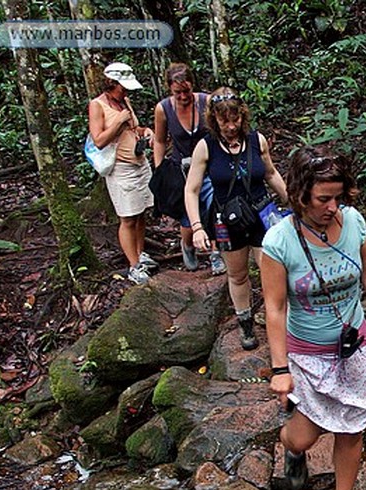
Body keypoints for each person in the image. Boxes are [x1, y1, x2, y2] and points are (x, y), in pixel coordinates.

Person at [261, 146, 366, 490]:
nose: (333, 207)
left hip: (355, 342)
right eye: (323, 198)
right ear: (299, 194)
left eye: (338, 197)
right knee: (305, 436)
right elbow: (274, 309)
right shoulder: (279, 242)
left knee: (354, 427)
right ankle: (291, 450)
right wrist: (280, 370)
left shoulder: (355, 222)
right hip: (309, 352)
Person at [184, 87, 287, 350]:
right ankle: (246, 323)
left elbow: (271, 174)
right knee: (238, 274)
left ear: (242, 116)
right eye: (224, 121)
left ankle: (279, 320)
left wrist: (294, 202)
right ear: (214, 120)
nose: (230, 126)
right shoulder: (205, 147)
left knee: (271, 270)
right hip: (228, 218)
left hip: (262, 214)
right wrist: (197, 227)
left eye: (235, 119)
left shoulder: (256, 140)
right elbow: (192, 189)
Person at [151, 62, 225, 276]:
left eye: (186, 91)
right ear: (169, 90)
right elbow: (159, 140)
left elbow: (219, 131)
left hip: (210, 164)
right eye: (178, 93)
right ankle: (188, 245)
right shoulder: (163, 109)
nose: (183, 96)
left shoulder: (206, 102)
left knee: (214, 207)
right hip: (181, 168)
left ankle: (215, 252)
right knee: (187, 215)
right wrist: (160, 170)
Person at [88, 61, 156, 285]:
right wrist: (117, 122)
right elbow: (98, 140)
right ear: (111, 84)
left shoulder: (124, 101)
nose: (126, 91)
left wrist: (146, 132)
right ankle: (133, 265)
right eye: (122, 87)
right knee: (127, 218)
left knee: (141, 212)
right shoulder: (97, 105)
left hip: (139, 163)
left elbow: (133, 128)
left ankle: (140, 254)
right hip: (120, 169)